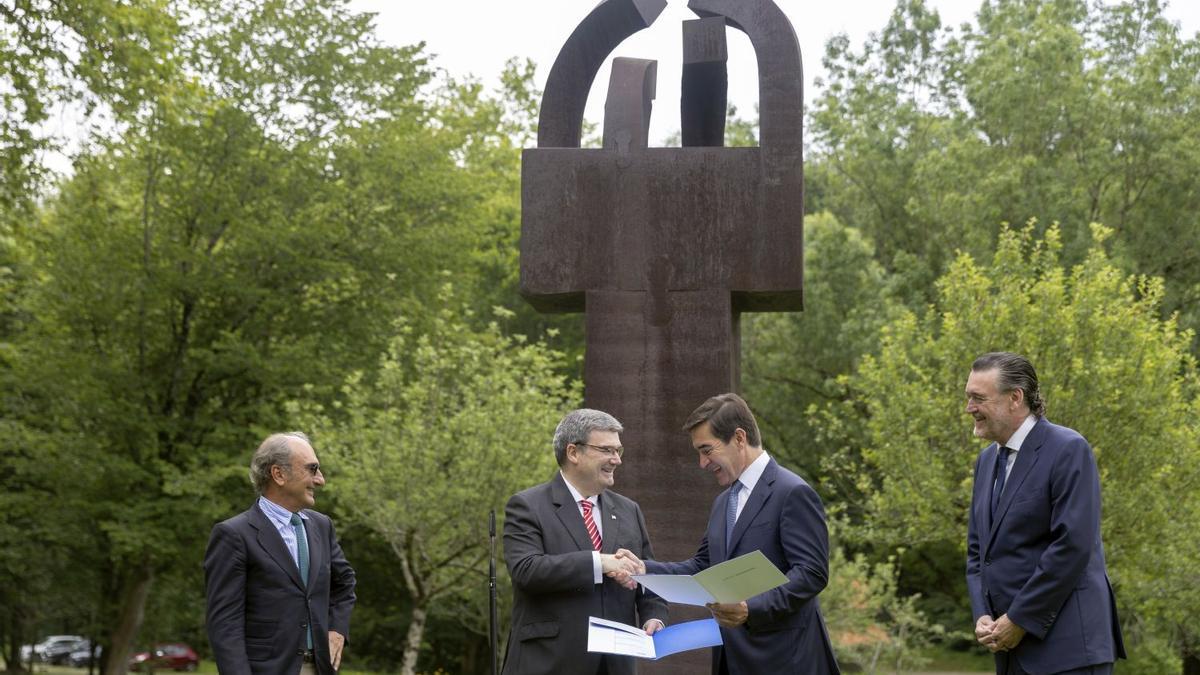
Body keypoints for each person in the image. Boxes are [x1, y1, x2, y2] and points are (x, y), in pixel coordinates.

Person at [616, 393, 839, 674]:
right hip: (731, 660)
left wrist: (750, 608)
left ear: (739, 438)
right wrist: (643, 568)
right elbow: (702, 566)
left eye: (707, 450)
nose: (702, 463)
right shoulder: (723, 502)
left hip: (786, 660)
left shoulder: (792, 492)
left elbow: (811, 573)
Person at [965, 352, 1125, 674]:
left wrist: (1019, 619)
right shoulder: (985, 463)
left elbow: (1071, 546)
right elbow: (978, 552)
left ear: (1015, 398)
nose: (969, 408)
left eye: (978, 398)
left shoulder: (1068, 449)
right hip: (1009, 653)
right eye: (968, 397)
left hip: (1069, 653)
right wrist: (983, 614)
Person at [502, 408, 668, 675]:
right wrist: (600, 562)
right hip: (550, 663)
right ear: (573, 453)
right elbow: (526, 571)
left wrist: (654, 616)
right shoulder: (528, 506)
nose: (617, 460)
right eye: (607, 450)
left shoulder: (629, 510)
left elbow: (648, 576)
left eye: (618, 451)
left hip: (616, 664)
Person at [205, 432, 356, 675]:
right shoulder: (233, 535)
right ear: (279, 474)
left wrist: (338, 630)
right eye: (312, 469)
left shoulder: (322, 526)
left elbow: (345, 583)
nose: (321, 480)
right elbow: (225, 625)